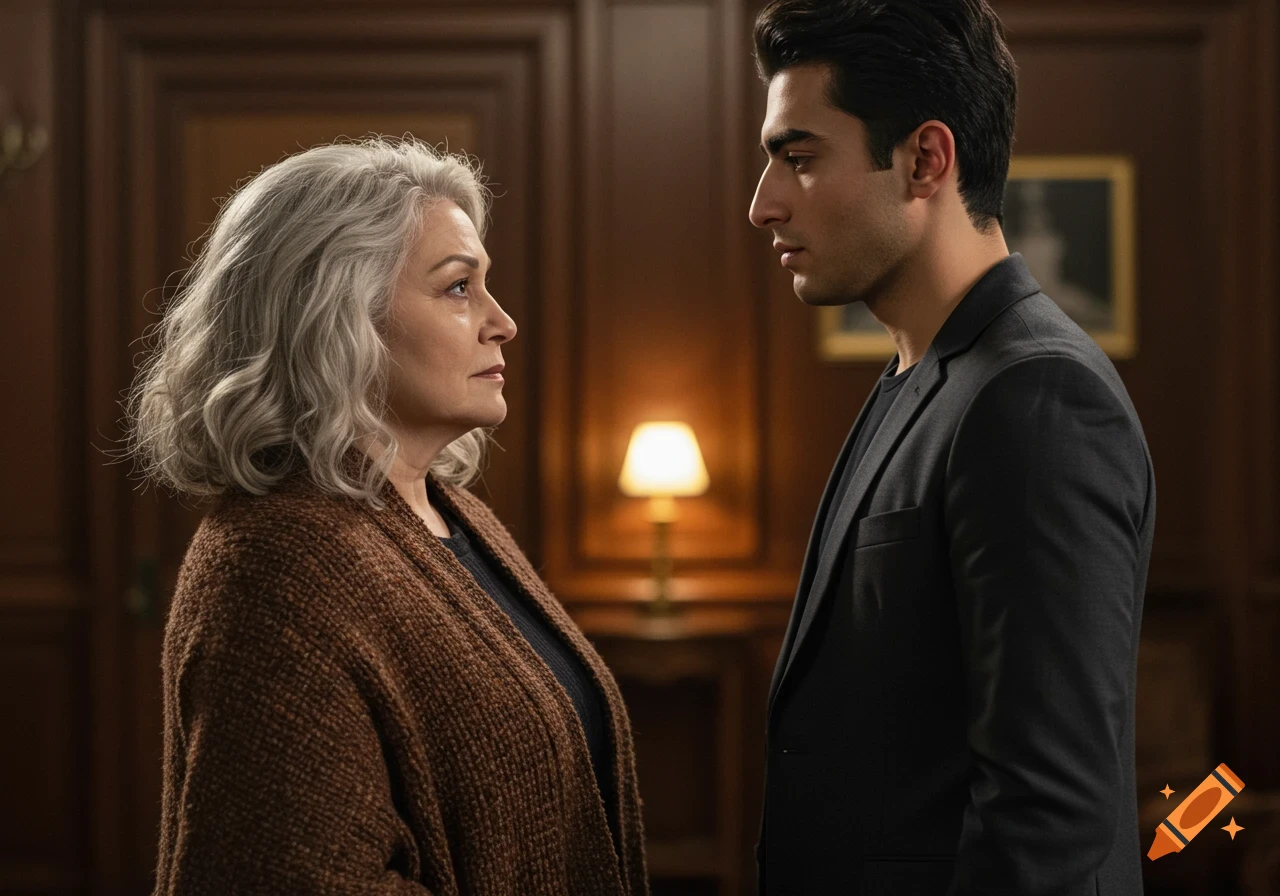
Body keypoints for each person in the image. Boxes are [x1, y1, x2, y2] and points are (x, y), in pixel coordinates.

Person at [124, 137, 649, 895]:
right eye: (459, 287)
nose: (502, 323)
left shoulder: (456, 515)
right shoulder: (273, 565)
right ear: (337, 316)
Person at [747, 2, 1155, 895]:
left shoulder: (1037, 397)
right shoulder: (923, 372)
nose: (762, 203)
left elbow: (1049, 821)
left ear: (926, 159)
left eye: (800, 158)